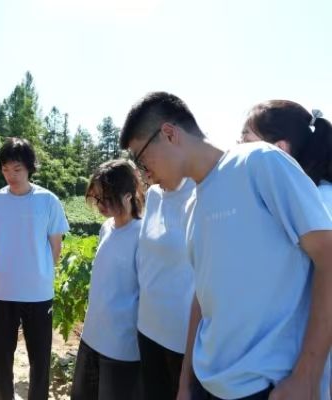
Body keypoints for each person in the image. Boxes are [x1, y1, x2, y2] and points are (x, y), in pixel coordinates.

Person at [120, 92, 332, 400]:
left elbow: (328, 258)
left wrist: (307, 376)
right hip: (208, 385)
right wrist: (185, 384)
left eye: (141, 159)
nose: (144, 174)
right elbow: (202, 296)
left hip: (266, 388)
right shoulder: (193, 203)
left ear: (169, 134)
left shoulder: (259, 162)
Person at [240, 100, 332, 398]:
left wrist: (306, 376)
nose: (236, 149)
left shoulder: (320, 202)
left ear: (280, 149)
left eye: (246, 139)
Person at [0, 137, 70, 400]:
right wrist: (11, 265)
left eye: (17, 169)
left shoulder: (48, 201)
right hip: (0, 291)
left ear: (30, 167)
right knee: (1, 356)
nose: (11, 175)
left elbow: (56, 246)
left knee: (40, 357)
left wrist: (37, 271)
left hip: (38, 293)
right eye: (5, 169)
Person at [70, 159, 145, 400]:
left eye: (107, 198)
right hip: (91, 336)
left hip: (121, 347)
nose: (100, 205)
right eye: (97, 198)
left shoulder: (143, 235)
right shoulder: (106, 228)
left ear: (128, 195)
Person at [132, 159, 195, 400]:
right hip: (147, 326)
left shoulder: (197, 192)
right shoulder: (154, 194)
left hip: (180, 335)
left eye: (146, 159)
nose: (143, 170)